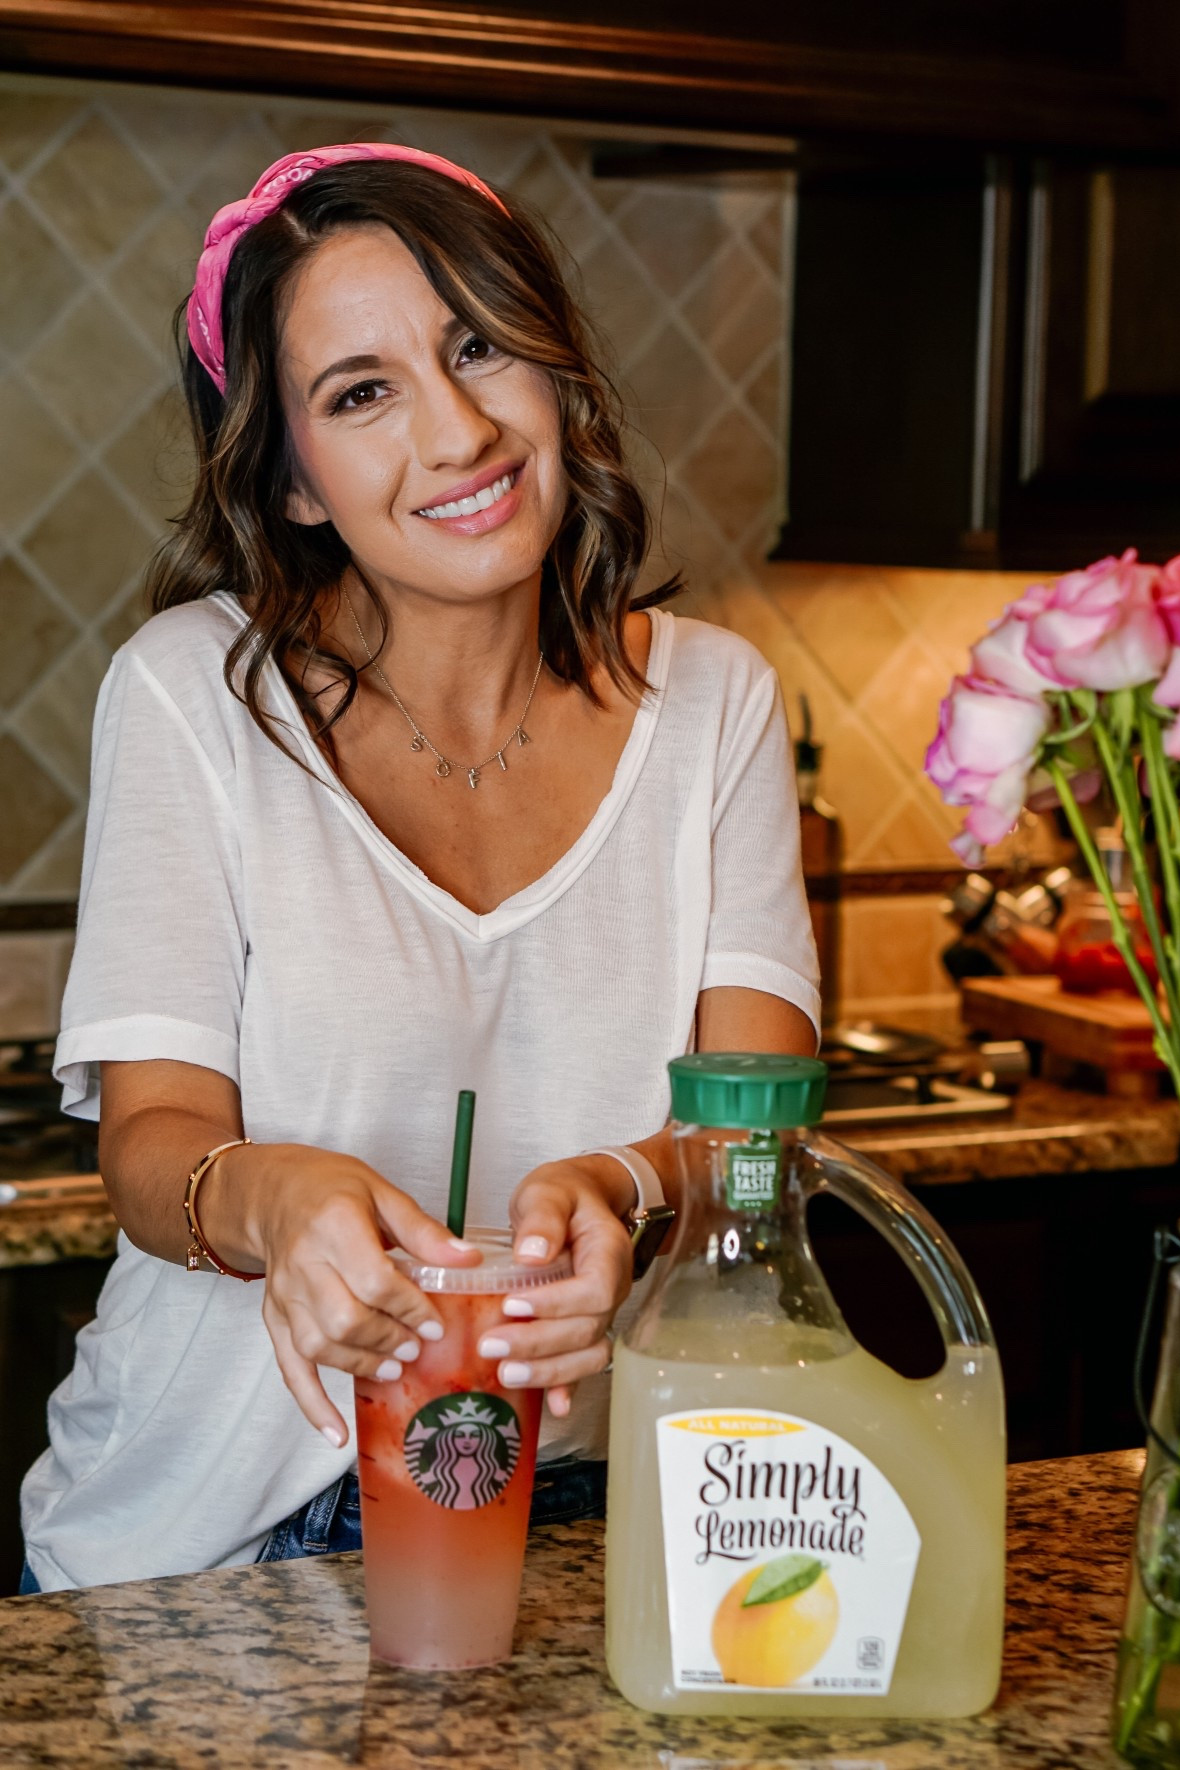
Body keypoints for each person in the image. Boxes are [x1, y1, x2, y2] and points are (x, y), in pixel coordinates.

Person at [19, 143, 819, 1593]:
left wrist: (625, 1188)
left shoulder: (718, 706)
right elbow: (150, 1149)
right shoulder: (191, 695)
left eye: (476, 345)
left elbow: (750, 1140)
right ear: (296, 479)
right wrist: (274, 1200)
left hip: (580, 1515)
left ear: (554, 368)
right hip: (201, 1545)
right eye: (361, 392)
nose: (456, 431)